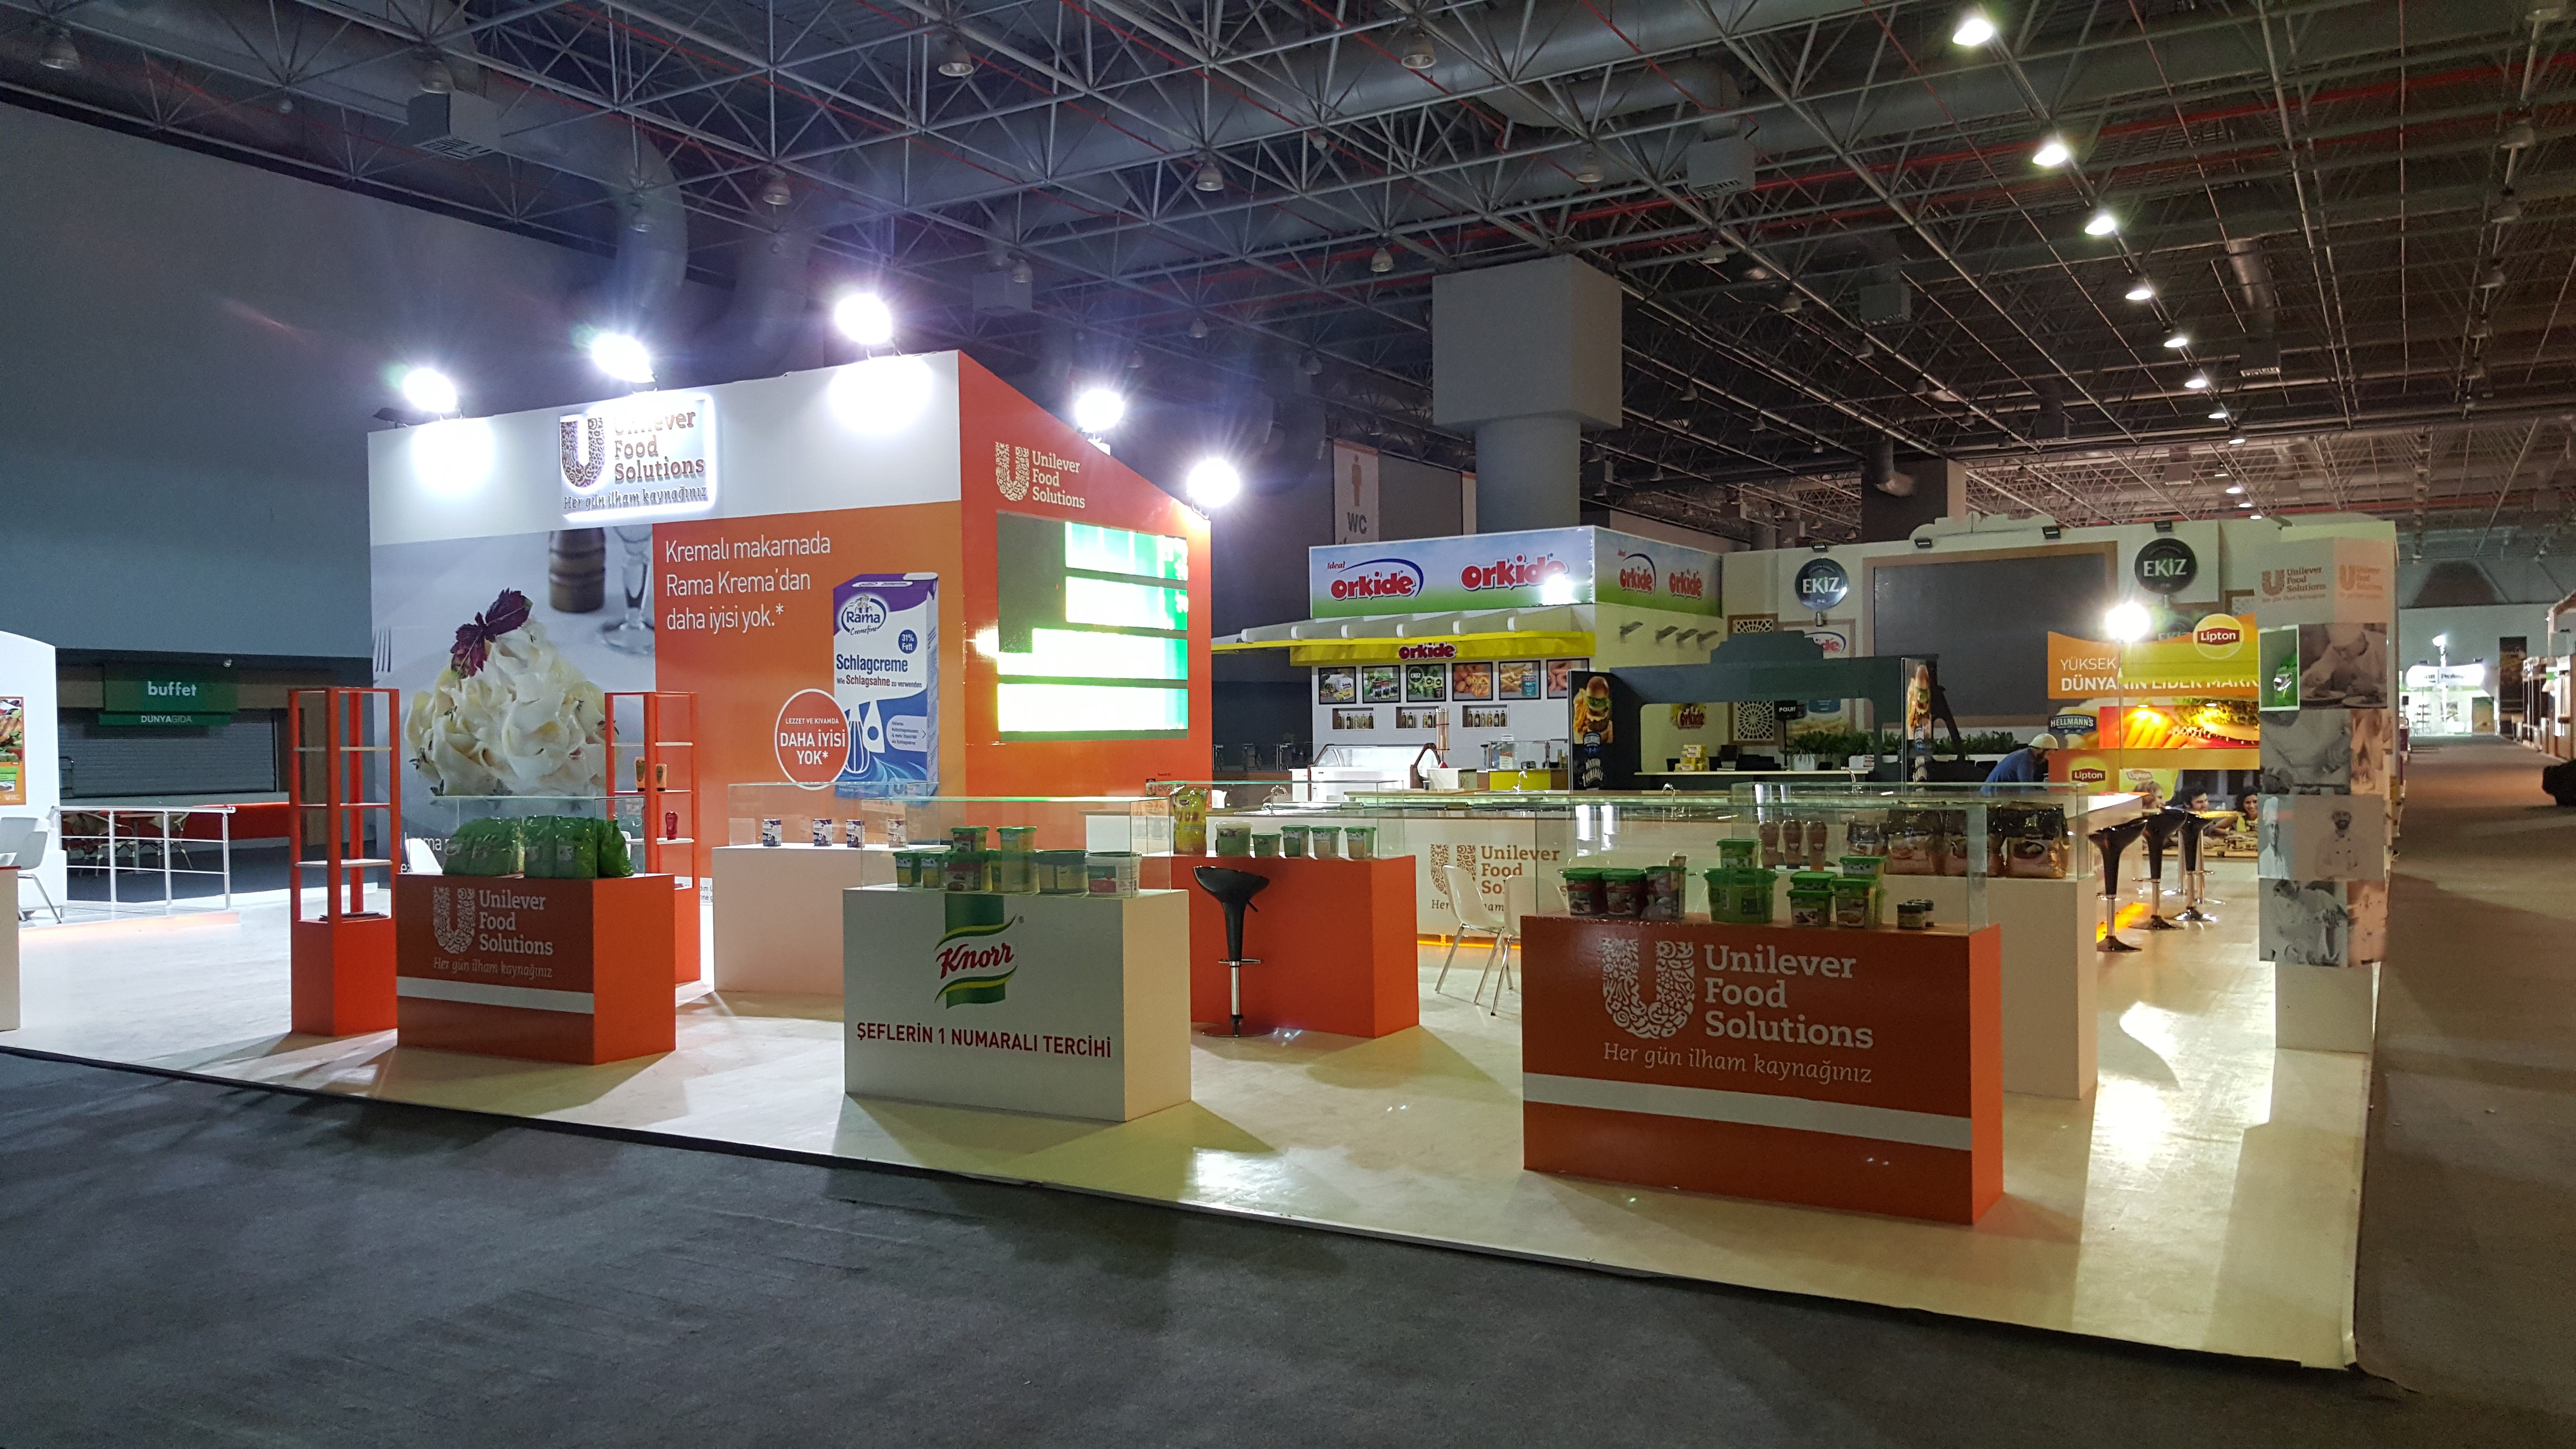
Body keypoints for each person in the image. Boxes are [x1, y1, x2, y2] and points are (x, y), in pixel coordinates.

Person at [1984, 732, 2060, 784]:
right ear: (2041, 749)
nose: (2048, 758)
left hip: (1995, 795)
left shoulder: (2024, 755)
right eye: (2049, 754)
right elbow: (2027, 790)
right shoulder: (2026, 761)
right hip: (1993, 797)